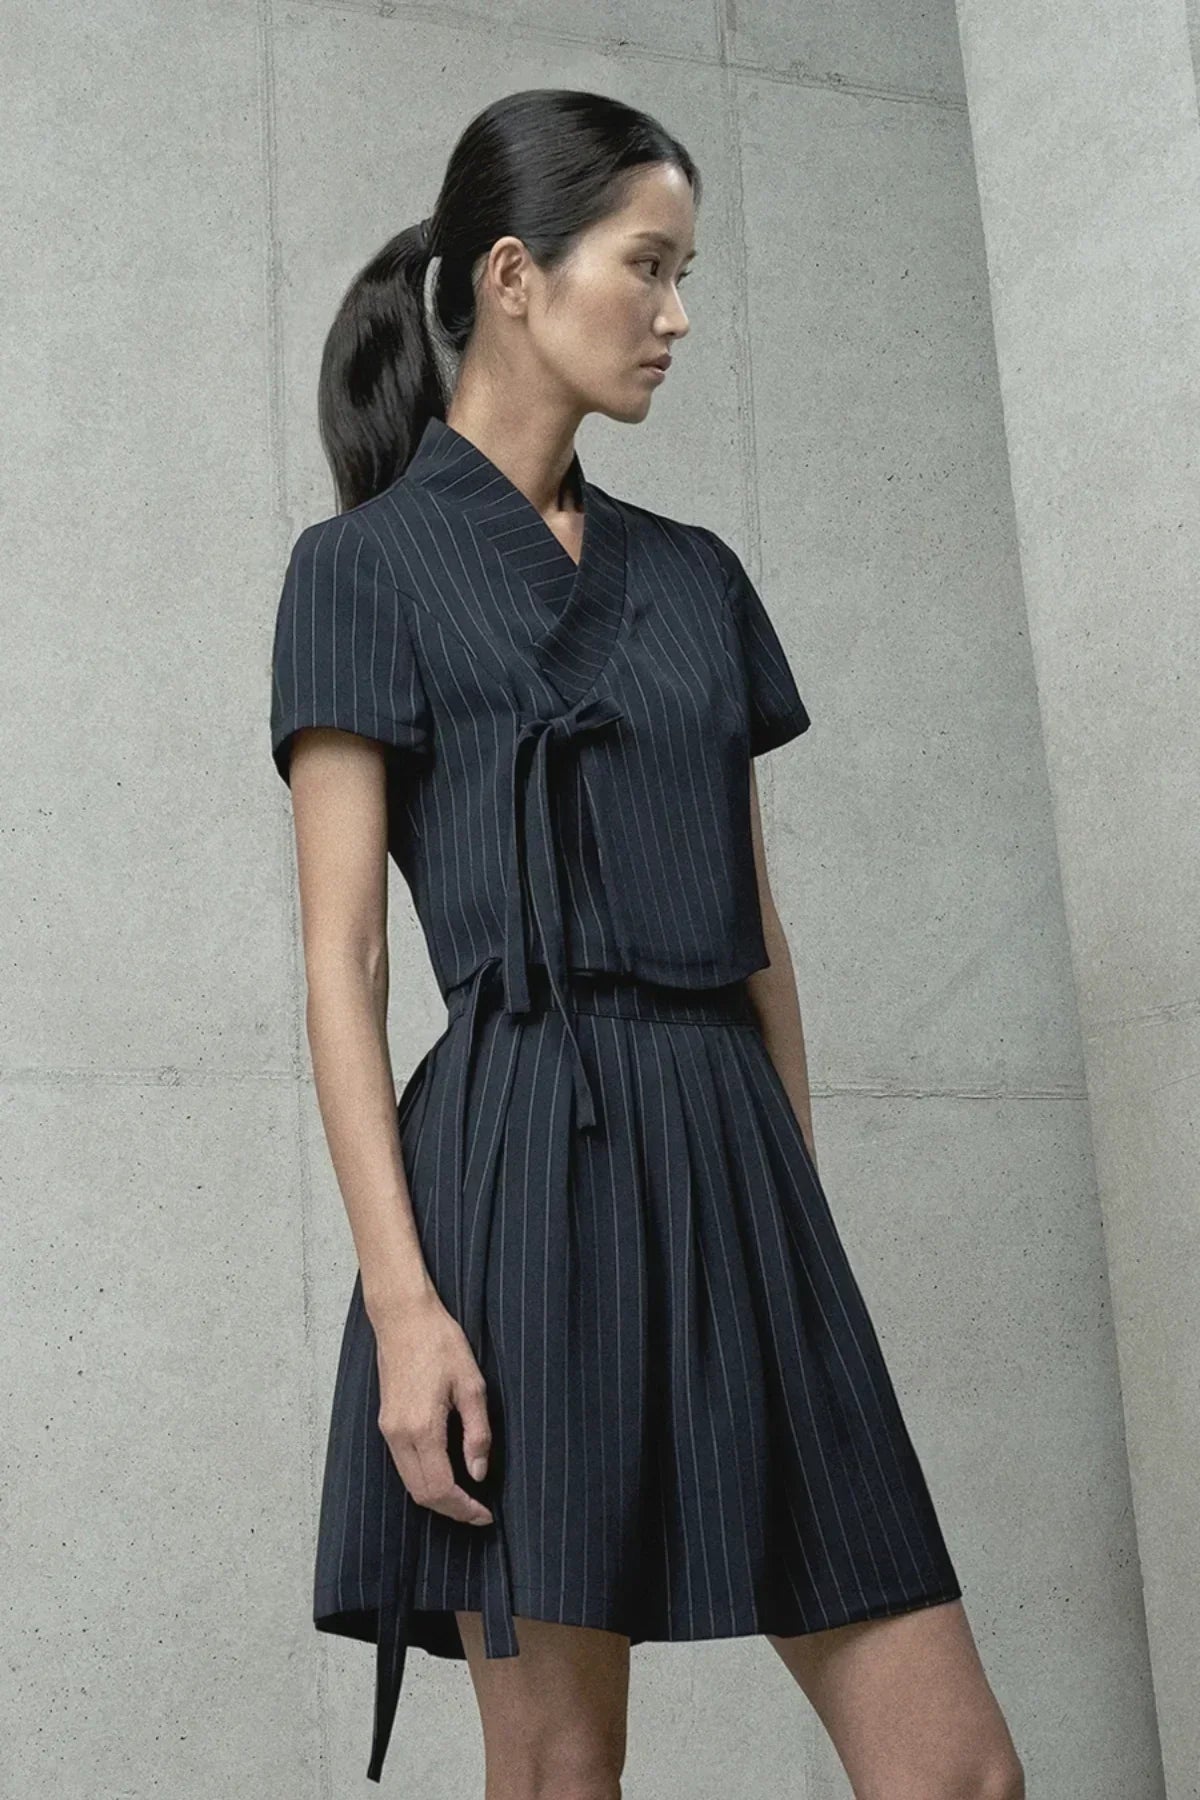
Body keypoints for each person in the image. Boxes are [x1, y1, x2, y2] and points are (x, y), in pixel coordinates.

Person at [268, 87, 1024, 1800]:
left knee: (958, 1772)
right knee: (559, 1775)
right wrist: (404, 1307)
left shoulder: (696, 578)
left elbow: (760, 938)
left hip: (732, 1156)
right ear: (515, 276)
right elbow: (345, 966)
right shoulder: (359, 571)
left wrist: (792, 1215)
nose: (677, 316)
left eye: (686, 275)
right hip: (514, 1177)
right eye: (649, 266)